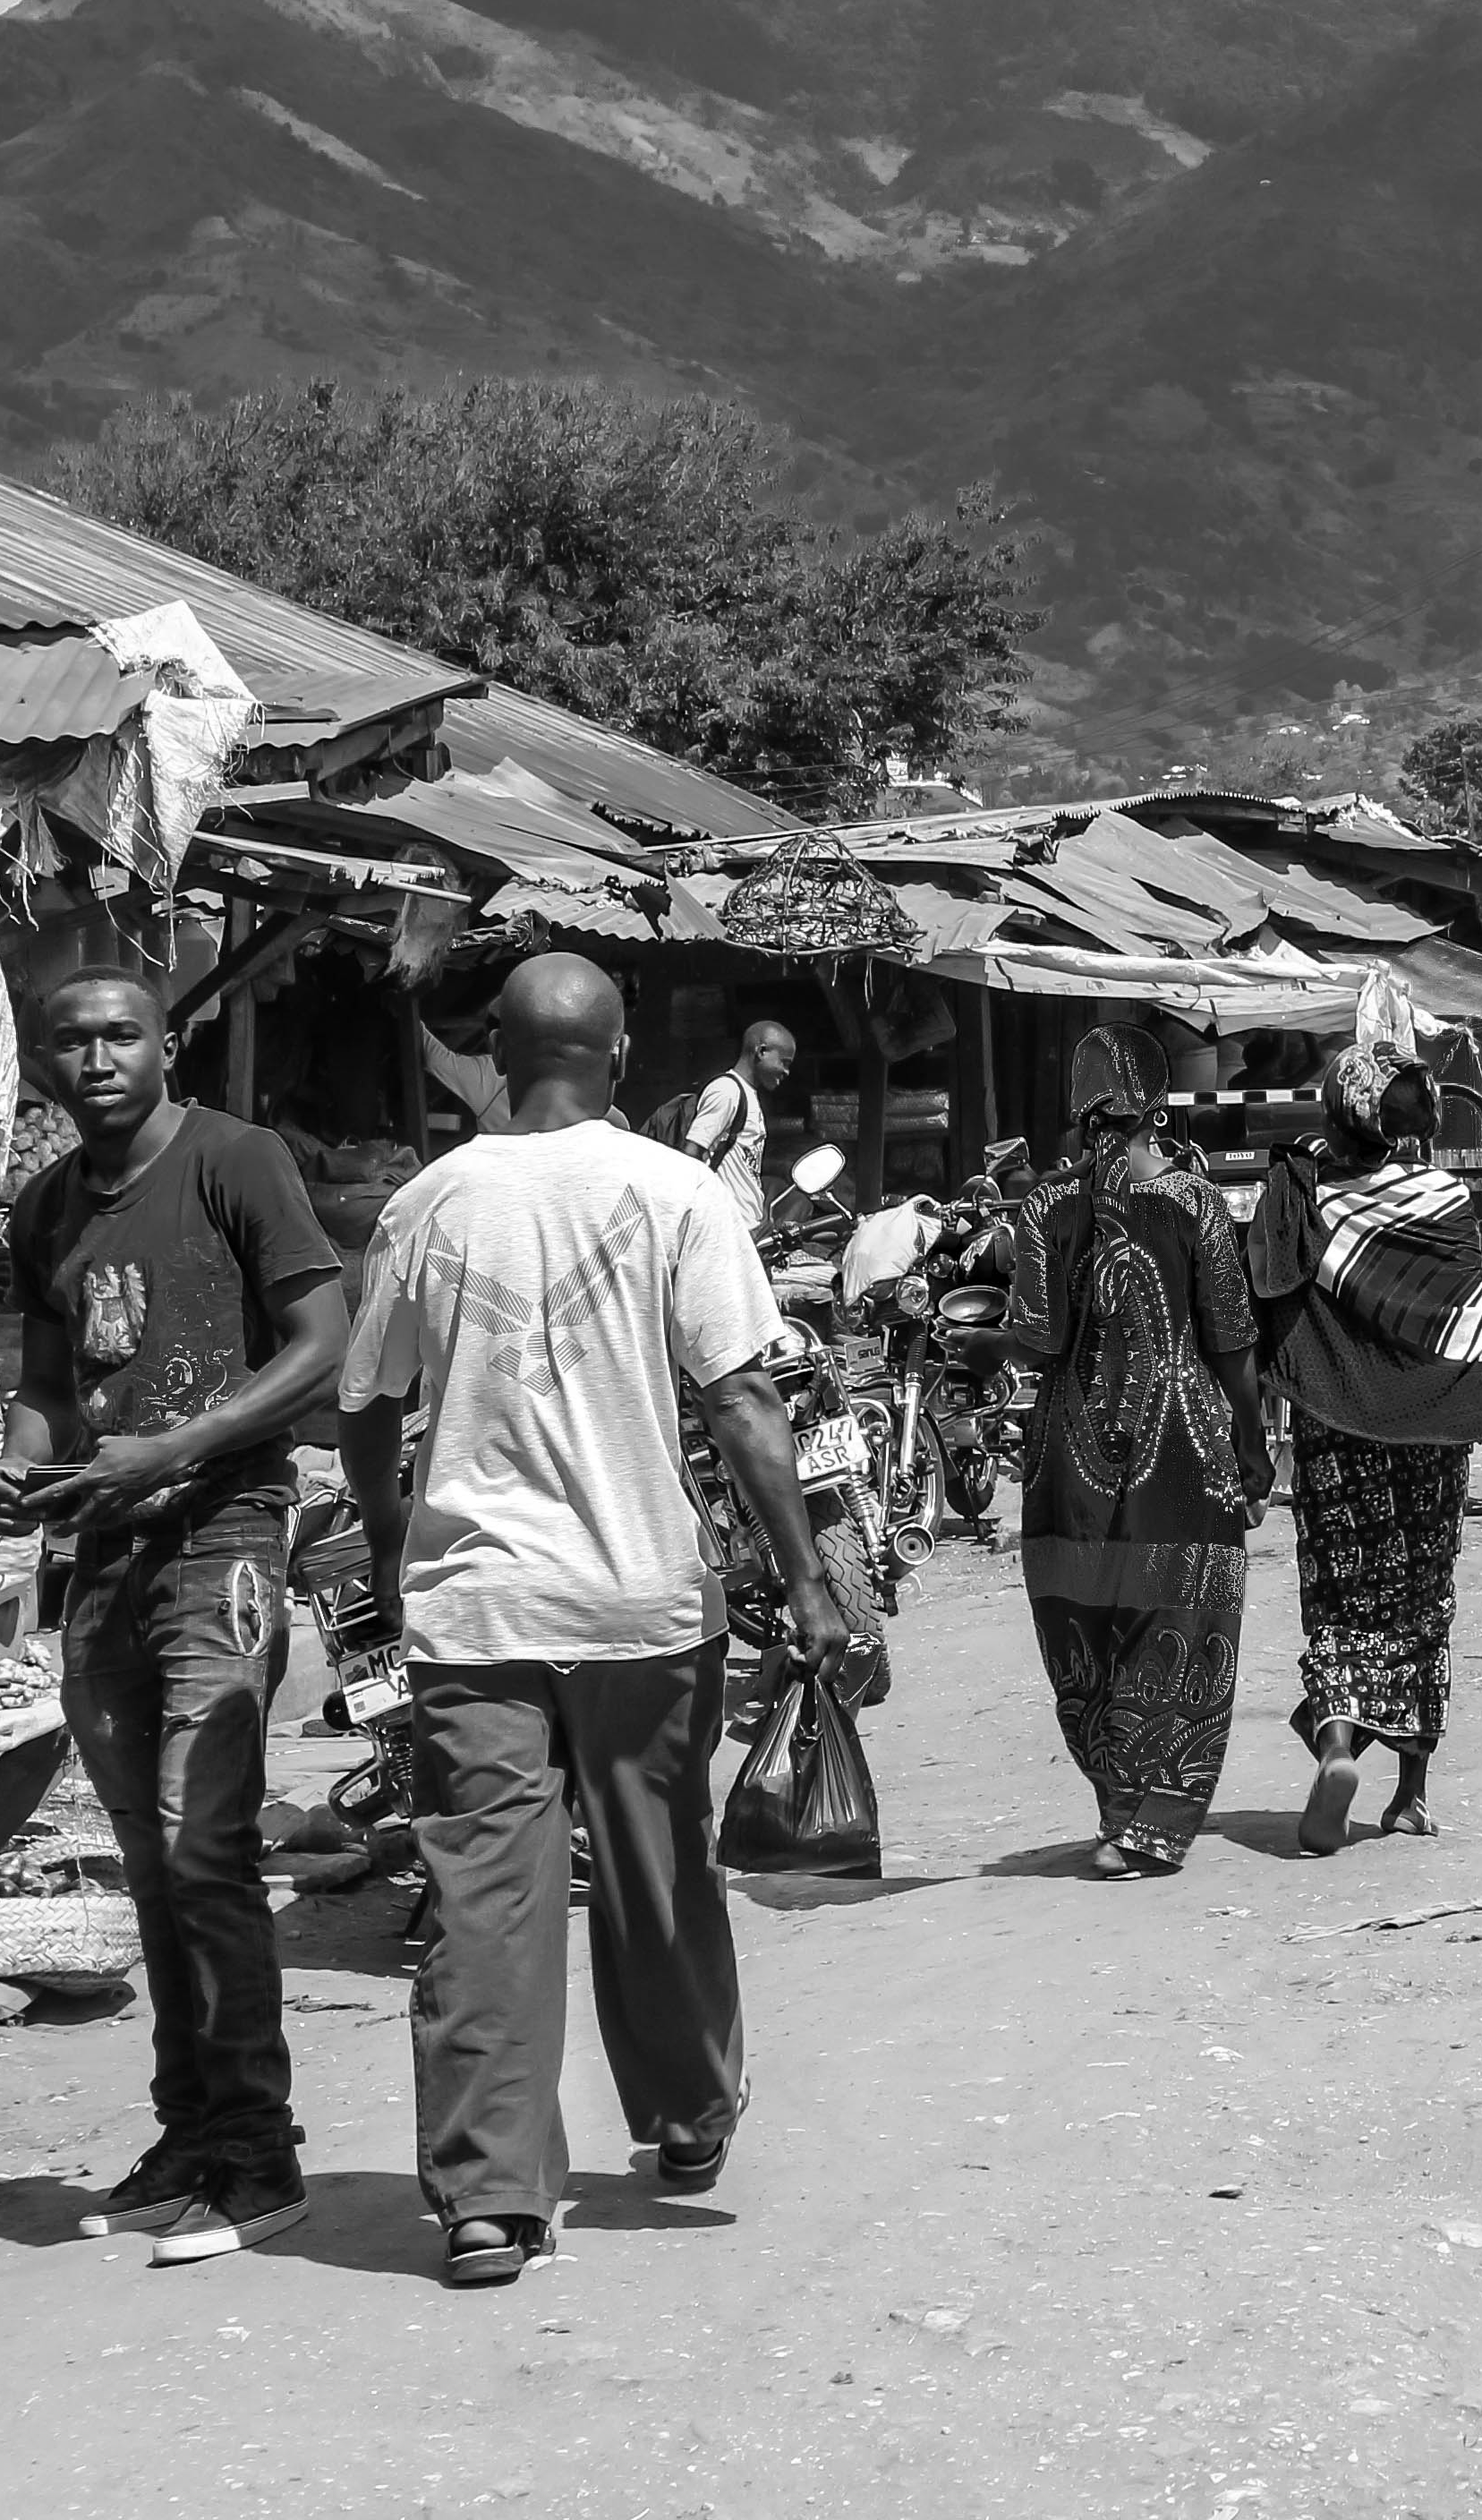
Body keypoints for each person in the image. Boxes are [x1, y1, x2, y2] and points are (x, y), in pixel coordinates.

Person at [338, 954, 856, 2290]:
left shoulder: (425, 1206)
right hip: (641, 1604)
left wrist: (401, 1543)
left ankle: (490, 2203)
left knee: (483, 1901)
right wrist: (805, 1583)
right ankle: (687, 2124)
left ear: (495, 1061)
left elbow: (362, 1404)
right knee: (656, 1873)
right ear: (621, 1061)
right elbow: (741, 1402)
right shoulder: (677, 1191)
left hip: (480, 1613)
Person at [0, 970, 352, 2266]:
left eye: (120, 1034)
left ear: (166, 1045)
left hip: (227, 1535)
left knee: (207, 1848)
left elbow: (323, 1338)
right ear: (45, 1061)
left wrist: (180, 1446)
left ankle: (259, 2156)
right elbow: (45, 1383)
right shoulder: (44, 1206)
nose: (96, 1058)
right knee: (149, 1858)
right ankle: (188, 2130)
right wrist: (17, 1461)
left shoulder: (234, 1161)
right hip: (101, 1555)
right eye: (71, 1039)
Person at [1004, 1027, 1270, 1879]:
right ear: (1161, 1106)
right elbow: (1231, 1340)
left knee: (1089, 1624)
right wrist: (1254, 1444)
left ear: (1080, 1110)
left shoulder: (1044, 1209)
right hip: (1183, 1452)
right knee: (1184, 1623)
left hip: (1068, 1461)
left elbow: (1036, 1343)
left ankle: (1120, 1810)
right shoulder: (1197, 1205)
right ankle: (1158, 1818)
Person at [1246, 1046, 1482, 1855]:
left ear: (1338, 1111)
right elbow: (1470, 1317)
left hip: (1336, 1425)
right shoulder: (1446, 1200)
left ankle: (1336, 1746)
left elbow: (1269, 1293)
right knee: (1421, 1598)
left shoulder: (1302, 1195)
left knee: (1339, 1597)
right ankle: (1409, 1796)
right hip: (1432, 1431)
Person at [674, 1019, 798, 1214]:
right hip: (729, 1225)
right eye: (784, 1062)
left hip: (748, 1223)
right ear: (761, 1052)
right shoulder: (727, 1090)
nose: (786, 1072)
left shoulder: (749, 1094)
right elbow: (691, 1155)